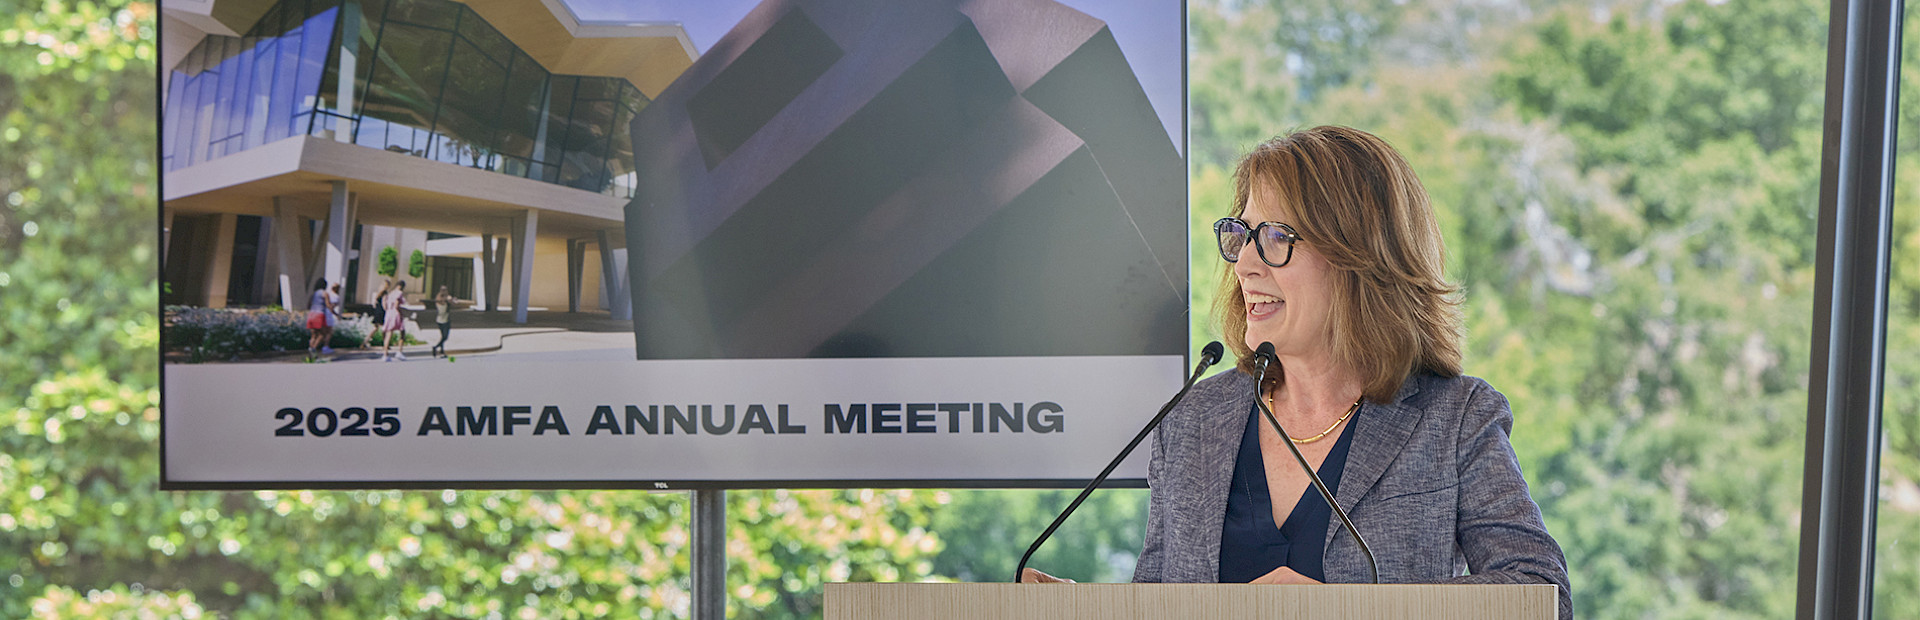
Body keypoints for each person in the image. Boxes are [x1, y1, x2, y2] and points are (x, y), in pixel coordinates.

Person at [1022, 126, 1572, 619]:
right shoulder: (1192, 421)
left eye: (1277, 238)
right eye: (1242, 235)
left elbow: (1540, 593)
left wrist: (1346, 610)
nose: (1244, 264)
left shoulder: (1455, 419)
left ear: (1360, 255)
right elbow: (1158, 602)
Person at [382, 279, 408, 361]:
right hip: (396, 314)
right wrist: (401, 312)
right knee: (402, 332)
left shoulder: (391, 293)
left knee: (388, 334)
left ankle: (385, 354)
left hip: (389, 313)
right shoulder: (399, 293)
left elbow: (385, 305)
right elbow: (397, 305)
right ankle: (399, 352)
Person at [304, 279, 329, 361]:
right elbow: (328, 305)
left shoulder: (313, 294)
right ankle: (313, 349)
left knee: (313, 335)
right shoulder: (325, 293)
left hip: (312, 314)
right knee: (322, 334)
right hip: (319, 314)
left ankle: (311, 351)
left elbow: (308, 305)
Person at [431, 284, 453, 358]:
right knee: (445, 337)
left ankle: (441, 351)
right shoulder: (441, 299)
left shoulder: (443, 298)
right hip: (443, 320)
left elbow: (450, 301)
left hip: (442, 319)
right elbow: (443, 301)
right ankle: (436, 347)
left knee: (443, 336)